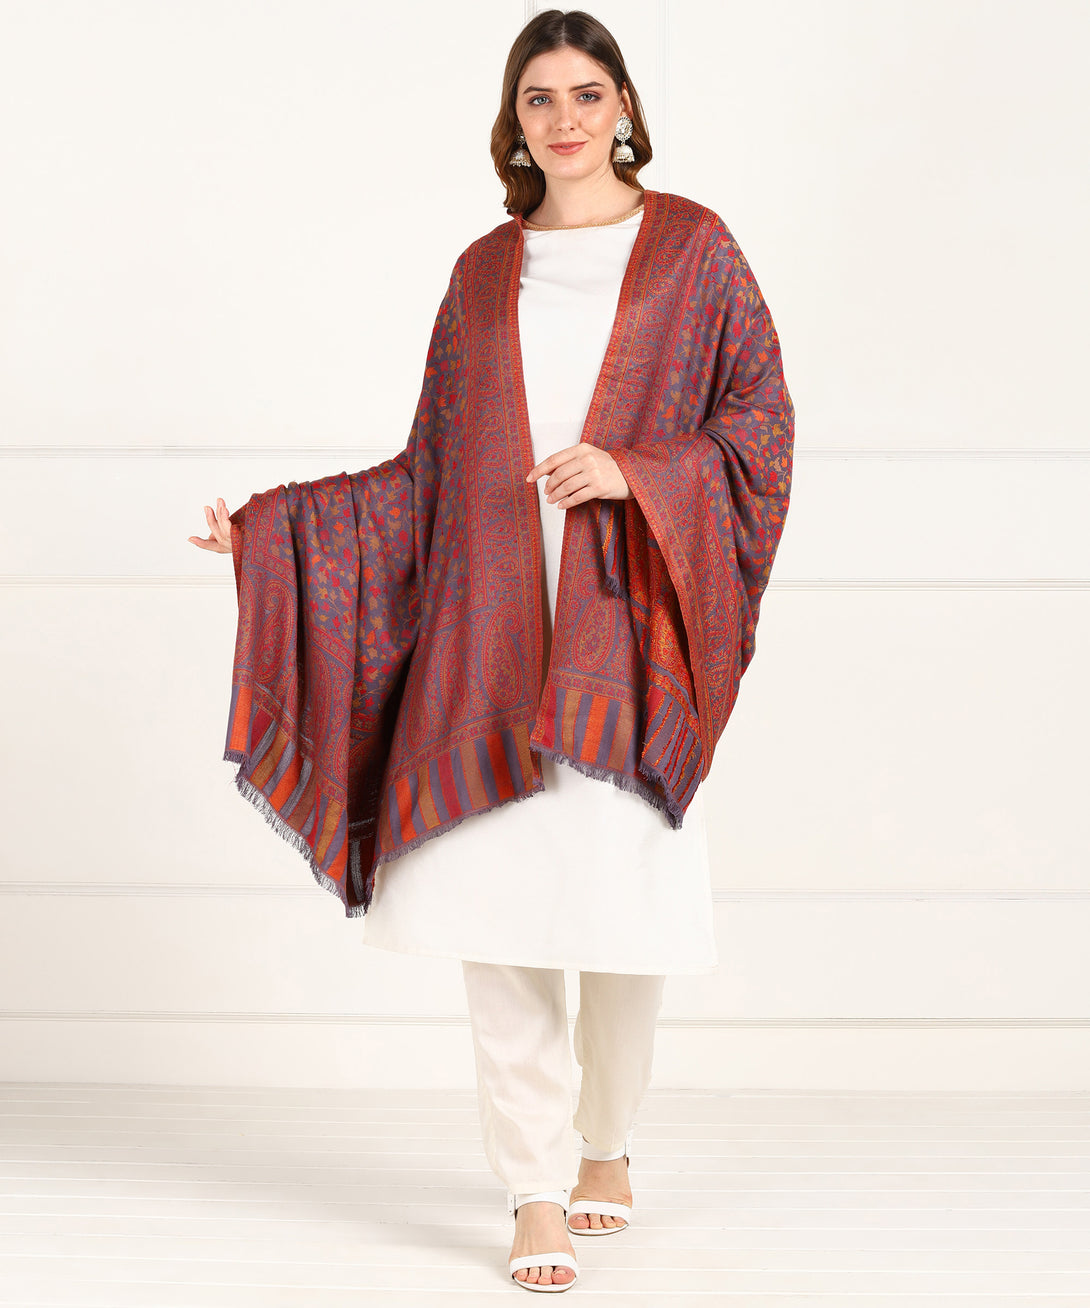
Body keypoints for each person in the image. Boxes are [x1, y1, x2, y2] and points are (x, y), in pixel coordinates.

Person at [189, 8, 793, 1293]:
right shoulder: (481, 273)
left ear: (623, 107)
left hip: (629, 644)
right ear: (513, 123)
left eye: (586, 94)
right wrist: (272, 530)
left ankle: (607, 1143)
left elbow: (759, 427)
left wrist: (635, 471)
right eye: (538, 100)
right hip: (490, 640)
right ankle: (531, 1187)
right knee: (504, 911)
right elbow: (428, 470)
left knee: (621, 915)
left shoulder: (694, 249)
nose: (564, 120)